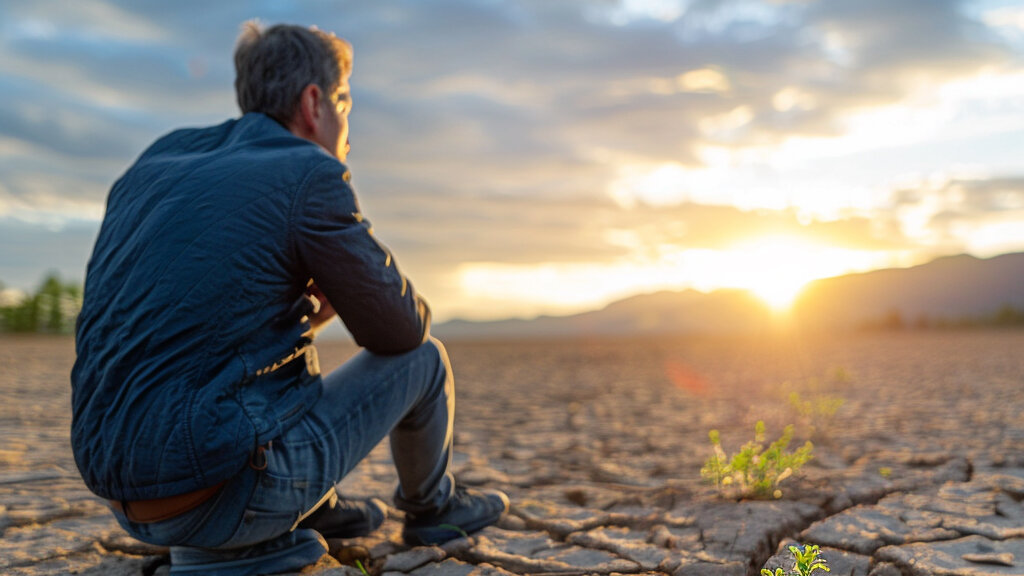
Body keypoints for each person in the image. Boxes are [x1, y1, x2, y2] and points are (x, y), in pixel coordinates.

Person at [70, 21, 508, 575]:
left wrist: (309, 310)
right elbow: (399, 331)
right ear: (313, 103)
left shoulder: (156, 162)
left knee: (289, 313)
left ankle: (313, 510)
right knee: (425, 359)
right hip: (222, 496)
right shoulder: (309, 171)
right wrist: (352, 288)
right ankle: (433, 509)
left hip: (123, 495)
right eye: (344, 101)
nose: (348, 125)